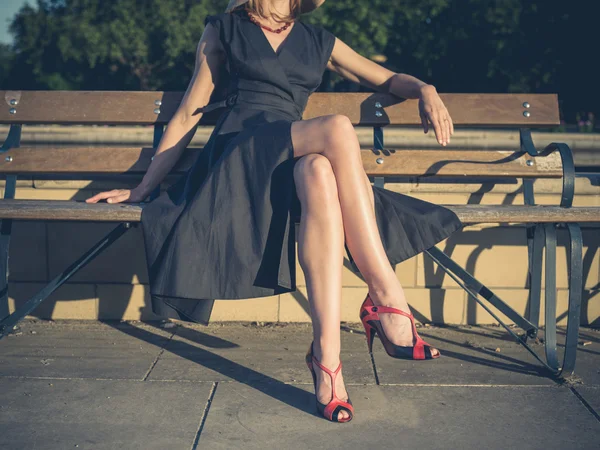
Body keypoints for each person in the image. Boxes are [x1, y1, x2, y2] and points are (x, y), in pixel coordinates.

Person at [85, 0, 463, 423]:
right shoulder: (224, 29)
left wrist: (426, 90)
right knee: (337, 126)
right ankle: (388, 298)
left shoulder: (318, 40)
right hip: (239, 157)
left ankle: (328, 361)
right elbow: (189, 112)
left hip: (288, 157)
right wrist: (142, 188)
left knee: (319, 171)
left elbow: (389, 78)